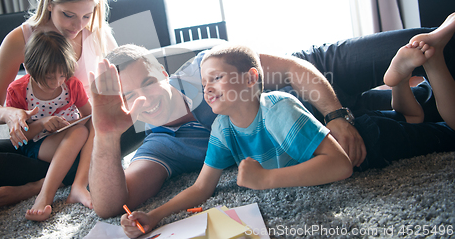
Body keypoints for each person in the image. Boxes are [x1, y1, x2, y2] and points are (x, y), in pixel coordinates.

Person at [121, 17, 455, 236]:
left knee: (445, 127)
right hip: (340, 125)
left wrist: (267, 179)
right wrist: (154, 215)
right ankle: (399, 84)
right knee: (417, 114)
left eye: (216, 80)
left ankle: (428, 65)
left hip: (353, 123)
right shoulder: (222, 126)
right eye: (205, 83)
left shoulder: (278, 107)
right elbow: (200, 188)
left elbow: (340, 164)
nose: (206, 88)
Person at [88, 41, 365, 219]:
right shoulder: (158, 146)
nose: (144, 99)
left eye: (148, 82)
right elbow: (110, 206)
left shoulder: (203, 69)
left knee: (406, 43)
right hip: (317, 142)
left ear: (162, 72)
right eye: (129, 95)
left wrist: (336, 114)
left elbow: (293, 68)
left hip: (321, 77)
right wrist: (106, 137)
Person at [0, 0, 117, 214]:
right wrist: (10, 114)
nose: (77, 26)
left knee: (115, 132)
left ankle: (37, 186)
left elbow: (120, 88)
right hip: (41, 138)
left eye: (86, 16)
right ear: (50, 3)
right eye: (68, 14)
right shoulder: (20, 38)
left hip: (92, 135)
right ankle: (66, 176)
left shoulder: (98, 34)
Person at [7, 31, 92, 221]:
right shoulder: (18, 91)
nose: (56, 83)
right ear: (29, 67)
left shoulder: (71, 85)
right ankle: (45, 196)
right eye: (49, 77)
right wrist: (42, 123)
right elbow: (19, 139)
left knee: (86, 131)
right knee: (79, 134)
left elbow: (89, 115)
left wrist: (71, 124)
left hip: (71, 139)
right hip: (38, 144)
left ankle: (46, 185)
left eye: (62, 75)